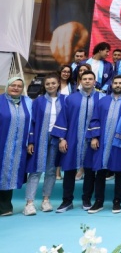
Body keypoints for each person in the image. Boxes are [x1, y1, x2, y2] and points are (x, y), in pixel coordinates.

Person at [52, 70, 102, 213]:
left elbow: (101, 119)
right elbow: (63, 118)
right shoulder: (71, 99)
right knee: (69, 170)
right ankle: (67, 201)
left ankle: (87, 199)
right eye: (84, 79)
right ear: (80, 81)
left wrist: (96, 136)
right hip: (72, 139)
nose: (87, 81)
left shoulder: (101, 98)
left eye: (90, 79)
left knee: (90, 171)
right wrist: (61, 139)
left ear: (94, 81)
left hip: (92, 140)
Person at [87, 75, 121, 214]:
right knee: (100, 172)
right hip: (102, 142)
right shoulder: (103, 101)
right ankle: (98, 201)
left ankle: (117, 202)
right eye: (115, 83)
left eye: (120, 83)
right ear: (111, 85)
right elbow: (94, 119)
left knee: (120, 172)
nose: (118, 85)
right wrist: (94, 137)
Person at [24, 75, 64, 215]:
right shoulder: (38, 101)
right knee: (36, 170)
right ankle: (29, 203)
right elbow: (32, 122)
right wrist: (31, 141)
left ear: (58, 84)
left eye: (53, 83)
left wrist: (63, 138)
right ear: (44, 85)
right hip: (40, 137)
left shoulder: (64, 100)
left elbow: (67, 120)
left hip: (57, 138)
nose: (51, 86)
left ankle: (46, 200)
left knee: (51, 170)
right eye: (48, 84)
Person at [0, 76, 33, 216]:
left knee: (9, 175)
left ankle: (5, 206)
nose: (16, 88)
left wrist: (30, 141)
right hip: (2, 144)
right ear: (7, 86)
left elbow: (32, 123)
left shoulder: (27, 102)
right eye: (13, 85)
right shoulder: (1, 100)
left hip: (18, 147)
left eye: (19, 86)